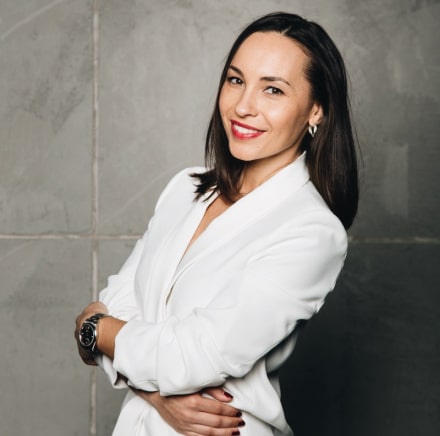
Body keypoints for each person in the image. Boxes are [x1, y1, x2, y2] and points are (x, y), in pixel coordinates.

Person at [75, 11, 358, 436]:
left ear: (316, 110)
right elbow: (121, 304)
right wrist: (157, 392)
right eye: (236, 80)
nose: (243, 106)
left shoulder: (313, 232)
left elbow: (189, 357)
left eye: (273, 89)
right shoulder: (185, 189)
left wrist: (93, 329)